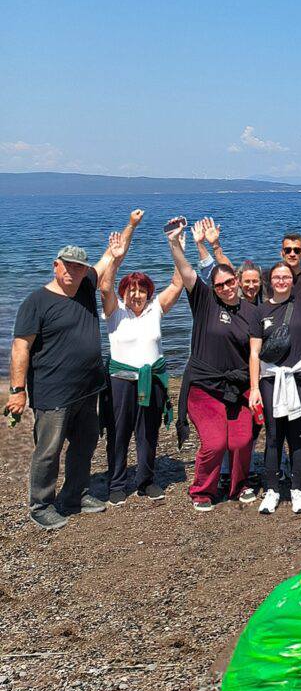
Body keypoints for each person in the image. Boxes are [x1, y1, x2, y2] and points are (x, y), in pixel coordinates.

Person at [10, 227, 129, 529]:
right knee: (48, 451)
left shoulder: (87, 285)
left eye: (79, 266)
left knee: (85, 443)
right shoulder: (36, 302)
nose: (73, 271)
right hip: (53, 392)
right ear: (56, 265)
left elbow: (108, 258)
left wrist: (130, 228)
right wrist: (17, 390)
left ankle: (75, 495)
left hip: (88, 388)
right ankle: (41, 504)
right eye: (68, 265)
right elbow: (20, 347)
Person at [167, 223, 259, 512]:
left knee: (242, 440)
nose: (226, 288)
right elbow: (187, 273)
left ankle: (239, 483)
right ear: (214, 289)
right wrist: (175, 245)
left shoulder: (251, 312)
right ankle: (202, 490)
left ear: (237, 281)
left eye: (230, 282)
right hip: (204, 388)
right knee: (216, 442)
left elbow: (256, 352)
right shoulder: (205, 301)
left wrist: (255, 388)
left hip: (238, 388)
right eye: (220, 285)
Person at [248, 210, 301, 515]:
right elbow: (254, 353)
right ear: (271, 280)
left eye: (286, 276)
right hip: (270, 379)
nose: (282, 280)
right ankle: (271, 489)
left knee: (297, 435)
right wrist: (254, 387)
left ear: (292, 280)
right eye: (277, 276)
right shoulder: (260, 312)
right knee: (273, 436)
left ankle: (296, 487)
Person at [101, 210, 181, 503]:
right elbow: (105, 285)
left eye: (142, 290)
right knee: (119, 434)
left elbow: (178, 283)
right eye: (132, 290)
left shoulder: (156, 309)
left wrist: (176, 245)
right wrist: (115, 255)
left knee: (148, 433)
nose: (137, 295)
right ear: (125, 293)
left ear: (149, 293)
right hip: (121, 381)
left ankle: (146, 480)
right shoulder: (115, 312)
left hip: (153, 380)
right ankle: (117, 484)